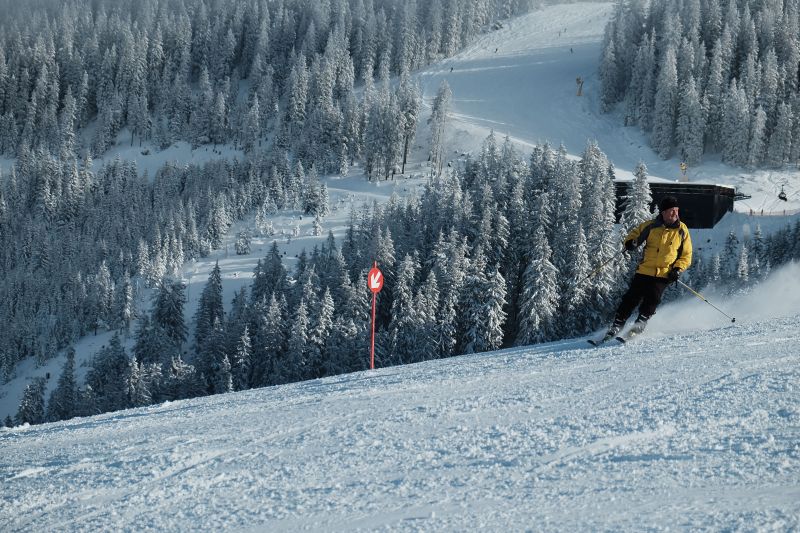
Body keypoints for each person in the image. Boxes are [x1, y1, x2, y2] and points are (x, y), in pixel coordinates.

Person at [603, 195, 692, 340]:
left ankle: (638, 326)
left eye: (676, 210)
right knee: (631, 298)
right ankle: (616, 326)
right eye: (671, 211)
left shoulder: (682, 231)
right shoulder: (651, 226)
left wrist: (677, 269)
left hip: (664, 273)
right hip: (645, 270)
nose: (675, 213)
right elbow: (635, 235)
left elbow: (686, 255)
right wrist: (631, 243)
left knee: (653, 298)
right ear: (663, 212)